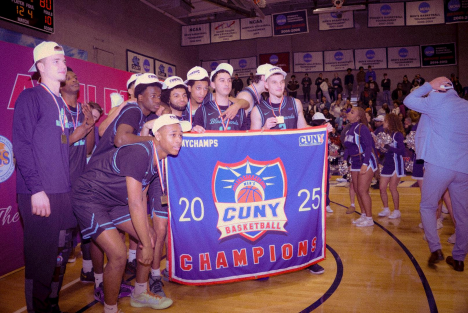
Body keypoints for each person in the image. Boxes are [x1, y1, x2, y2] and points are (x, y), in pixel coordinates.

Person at [73, 114, 190, 312]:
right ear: (158, 137)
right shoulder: (140, 153)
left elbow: (141, 197)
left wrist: (146, 239)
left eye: (180, 135)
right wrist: (143, 243)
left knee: (151, 238)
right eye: (173, 134)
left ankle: (140, 293)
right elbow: (135, 204)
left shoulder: (156, 157)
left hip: (115, 200)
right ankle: (111, 309)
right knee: (119, 254)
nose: (179, 139)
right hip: (90, 197)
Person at [12, 41, 80, 313]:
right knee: (41, 260)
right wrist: (36, 189)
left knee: (60, 257)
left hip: (63, 193)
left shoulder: (60, 104)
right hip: (39, 193)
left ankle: (51, 305)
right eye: (55, 61)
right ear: (40, 67)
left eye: (63, 60)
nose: (62, 65)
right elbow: (22, 145)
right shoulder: (30, 97)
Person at [88, 73, 164, 302]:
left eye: (159, 96)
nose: (158, 99)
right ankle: (100, 283)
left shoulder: (142, 115)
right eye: (153, 95)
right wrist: (154, 141)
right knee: (108, 244)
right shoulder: (133, 110)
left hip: (115, 181)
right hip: (99, 181)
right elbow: (120, 139)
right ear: (139, 96)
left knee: (144, 236)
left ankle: (136, 291)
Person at [404, 77, 468, 271]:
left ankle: (435, 249)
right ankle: (458, 258)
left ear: (438, 89)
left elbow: (408, 100)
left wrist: (428, 86)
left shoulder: (436, 100)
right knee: (463, 215)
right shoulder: (465, 105)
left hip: (439, 164)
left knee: (427, 206)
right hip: (463, 168)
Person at [60, 67, 96, 280]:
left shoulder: (82, 110)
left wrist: (89, 124)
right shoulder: (57, 109)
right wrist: (76, 133)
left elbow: (87, 148)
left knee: (87, 229)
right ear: (61, 84)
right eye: (69, 77)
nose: (75, 79)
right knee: (62, 239)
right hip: (62, 181)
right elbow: (56, 144)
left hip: (81, 179)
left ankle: (88, 270)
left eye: (76, 76)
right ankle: (51, 294)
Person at [342, 107, 378, 227]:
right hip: (355, 162)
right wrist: (345, 161)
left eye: (352, 112)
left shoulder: (362, 128)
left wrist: (365, 164)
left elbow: (368, 147)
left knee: (363, 191)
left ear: (358, 117)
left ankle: (369, 218)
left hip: (365, 160)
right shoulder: (349, 129)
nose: (348, 113)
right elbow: (348, 148)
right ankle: (363, 215)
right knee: (357, 190)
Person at [193, 63, 248, 132]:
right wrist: (194, 131)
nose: (227, 84)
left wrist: (237, 106)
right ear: (213, 85)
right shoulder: (202, 111)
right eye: (222, 80)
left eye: (229, 80)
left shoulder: (240, 111)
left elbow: (245, 139)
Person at [250, 66, 307, 130]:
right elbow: (254, 139)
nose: (279, 85)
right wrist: (265, 128)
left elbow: (304, 132)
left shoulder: (296, 104)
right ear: (266, 85)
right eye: (274, 82)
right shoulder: (257, 110)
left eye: (282, 82)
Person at [377, 114, 406, 219]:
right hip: (387, 163)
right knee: (382, 188)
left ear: (391, 122)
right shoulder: (386, 134)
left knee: (393, 187)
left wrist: (388, 147)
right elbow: (385, 150)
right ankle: (386, 209)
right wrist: (382, 148)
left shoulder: (398, 135)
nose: (383, 122)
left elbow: (402, 151)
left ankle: (397, 211)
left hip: (396, 163)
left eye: (385, 121)